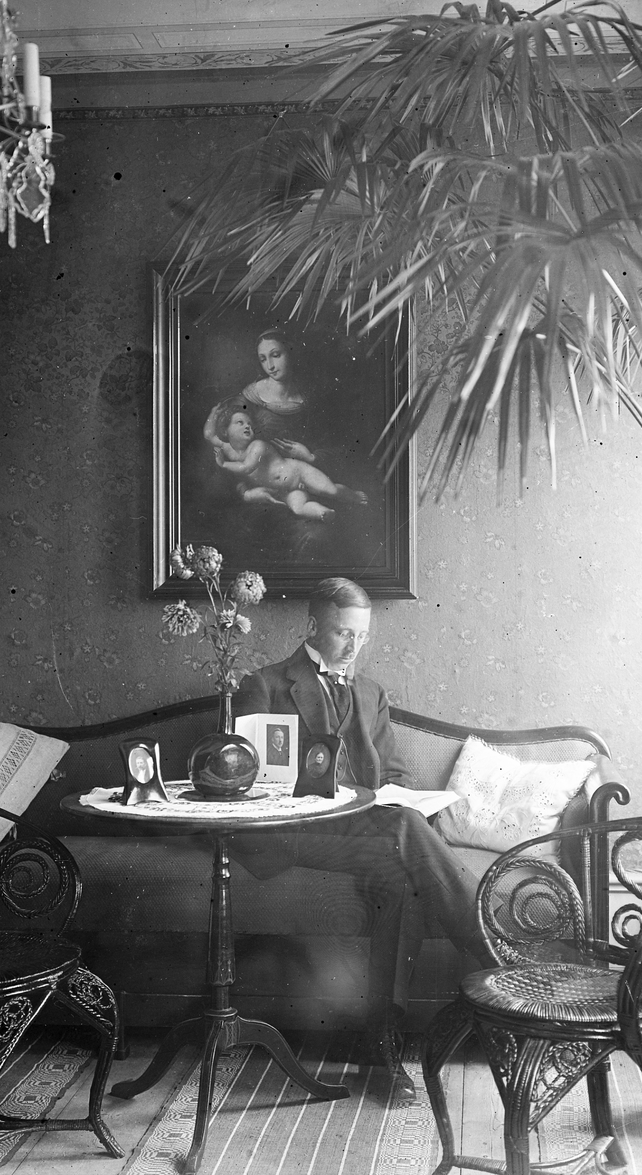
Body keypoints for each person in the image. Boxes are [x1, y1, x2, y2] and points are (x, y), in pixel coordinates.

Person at [232, 577, 486, 1102]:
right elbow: (248, 778)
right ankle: (494, 952)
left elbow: (393, 774)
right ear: (312, 627)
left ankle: (383, 1043)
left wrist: (397, 796)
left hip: (361, 830)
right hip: (293, 832)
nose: (354, 646)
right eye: (343, 633)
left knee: (401, 877)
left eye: (362, 636)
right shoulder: (265, 684)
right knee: (406, 831)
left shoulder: (370, 693)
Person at [204, 404, 368, 522]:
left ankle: (353, 496)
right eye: (240, 423)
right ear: (225, 431)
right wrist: (213, 414)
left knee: (330, 490)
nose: (247, 426)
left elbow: (247, 468)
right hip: (285, 490)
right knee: (298, 508)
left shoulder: (257, 446)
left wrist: (223, 464)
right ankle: (323, 513)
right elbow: (209, 435)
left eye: (250, 424)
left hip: (300, 473)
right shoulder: (229, 450)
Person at [240, 330, 307, 441]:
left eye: (276, 355)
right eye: (263, 359)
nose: (270, 366)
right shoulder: (250, 396)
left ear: (290, 353)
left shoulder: (306, 397)